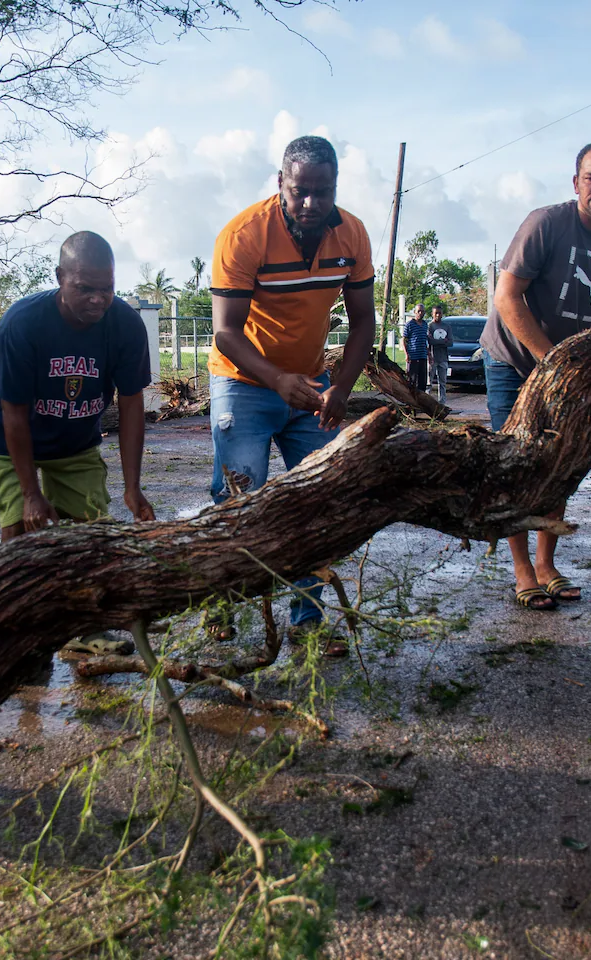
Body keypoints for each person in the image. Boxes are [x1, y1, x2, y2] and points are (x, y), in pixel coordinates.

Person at [206, 134, 376, 654]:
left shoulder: (352, 235)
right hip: (244, 381)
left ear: (335, 188)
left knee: (321, 496)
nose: (311, 204)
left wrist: (341, 388)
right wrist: (277, 381)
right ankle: (222, 605)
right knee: (239, 496)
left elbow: (364, 320)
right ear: (281, 182)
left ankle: (309, 619)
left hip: (311, 384)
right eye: (300, 190)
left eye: (322, 192)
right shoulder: (243, 236)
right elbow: (226, 331)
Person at [479, 139, 591, 611]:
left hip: (565, 367)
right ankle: (523, 571)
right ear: (576, 182)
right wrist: (554, 362)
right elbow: (507, 298)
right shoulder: (546, 223)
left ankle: (547, 565)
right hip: (512, 360)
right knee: (517, 464)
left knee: (562, 464)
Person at [0, 231, 154, 541]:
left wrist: (132, 487)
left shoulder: (125, 325)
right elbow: (13, 413)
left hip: (74, 445)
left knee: (94, 537)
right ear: (60, 277)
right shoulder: (23, 324)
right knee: (20, 533)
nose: (98, 299)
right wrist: (30, 494)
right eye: (84, 289)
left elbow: (131, 405)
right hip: (8, 440)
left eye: (107, 288)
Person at [427, 304, 451, 403]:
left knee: (443, 382)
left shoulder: (447, 326)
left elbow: (450, 342)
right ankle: (427, 402)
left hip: (443, 358)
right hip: (432, 358)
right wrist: (442, 341)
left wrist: (438, 341)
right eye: (435, 313)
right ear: (432, 314)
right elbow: (430, 341)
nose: (437, 315)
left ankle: (442, 403)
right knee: (429, 382)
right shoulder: (429, 326)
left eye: (439, 313)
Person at [402, 303, 429, 393]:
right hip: (413, 356)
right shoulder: (409, 324)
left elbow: (425, 340)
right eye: (418, 311)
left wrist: (429, 354)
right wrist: (406, 354)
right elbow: (404, 340)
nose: (420, 313)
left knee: (422, 380)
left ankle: (422, 400)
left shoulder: (425, 324)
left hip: (423, 355)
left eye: (422, 311)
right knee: (412, 380)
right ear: (415, 312)